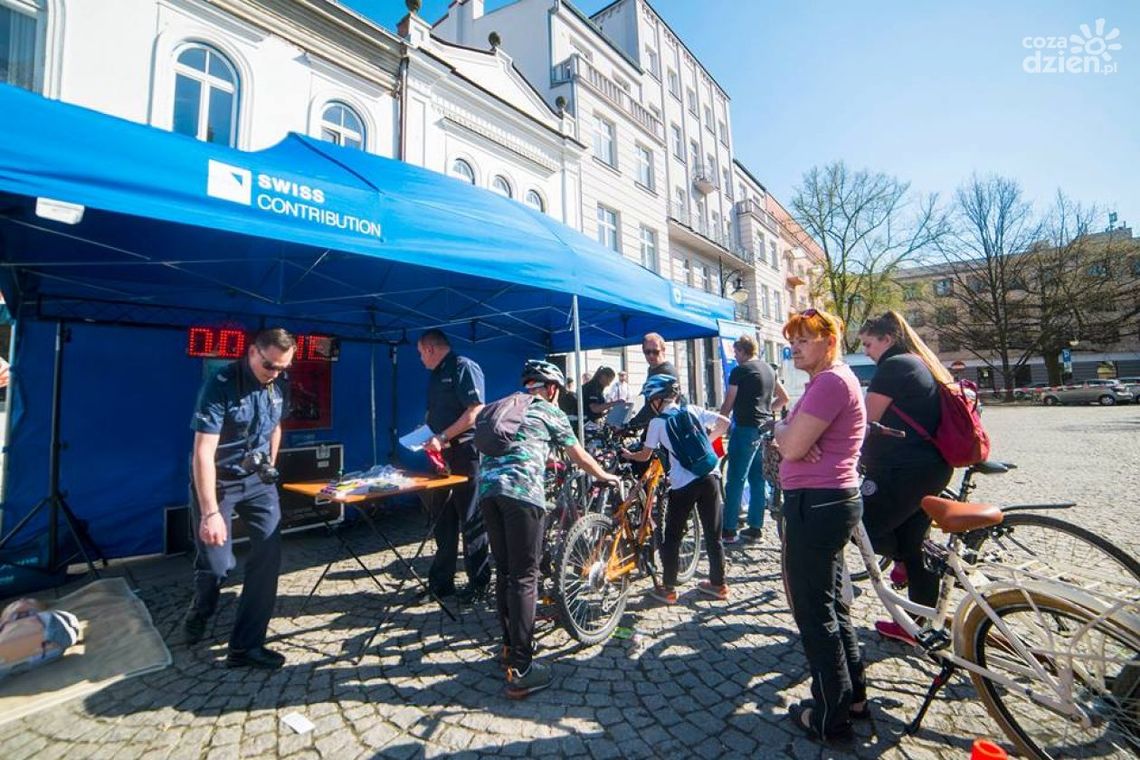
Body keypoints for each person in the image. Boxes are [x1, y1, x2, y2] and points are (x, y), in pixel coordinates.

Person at [478, 360, 619, 698]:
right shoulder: (548, 411)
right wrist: (605, 476)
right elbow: (579, 457)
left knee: (506, 572)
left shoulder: (505, 405)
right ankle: (524, 669)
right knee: (526, 577)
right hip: (522, 495)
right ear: (552, 388)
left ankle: (510, 649)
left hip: (487, 493)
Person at [774, 308, 868, 744]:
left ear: (830, 342)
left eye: (805, 339)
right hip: (827, 500)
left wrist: (785, 432)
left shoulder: (830, 381)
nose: (795, 346)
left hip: (818, 503)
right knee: (832, 603)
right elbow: (795, 441)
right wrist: (791, 433)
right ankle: (853, 696)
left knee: (814, 611)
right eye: (793, 339)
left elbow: (792, 446)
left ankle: (830, 715)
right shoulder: (826, 382)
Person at [183, 327, 295, 669]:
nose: (275, 373)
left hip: (258, 483)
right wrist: (210, 513)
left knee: (268, 556)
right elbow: (202, 453)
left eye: (282, 368)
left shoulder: (278, 383)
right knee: (219, 565)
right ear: (251, 352)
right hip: (219, 481)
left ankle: (245, 647)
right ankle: (202, 606)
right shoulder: (220, 385)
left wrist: (269, 467)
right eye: (270, 366)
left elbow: (276, 425)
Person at [857, 311, 955, 644]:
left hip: (902, 470)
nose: (867, 351)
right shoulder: (919, 362)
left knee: (857, 527)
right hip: (930, 468)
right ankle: (918, 624)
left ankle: (898, 562)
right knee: (915, 546)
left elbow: (864, 420)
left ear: (887, 338)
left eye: (869, 344)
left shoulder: (894, 366)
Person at [621, 375, 730, 603]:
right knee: (714, 534)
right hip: (711, 475)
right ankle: (719, 585)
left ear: (657, 399)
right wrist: (707, 442)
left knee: (672, 536)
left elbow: (645, 455)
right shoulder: (691, 409)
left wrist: (629, 455)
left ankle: (668, 588)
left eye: (650, 399)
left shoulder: (657, 423)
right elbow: (725, 422)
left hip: (683, 483)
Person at [417, 329, 492, 604]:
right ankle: (441, 583)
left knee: (470, 518)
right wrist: (427, 432)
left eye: (420, 353)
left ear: (429, 348)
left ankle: (479, 583)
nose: (420, 359)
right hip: (441, 457)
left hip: (464, 453)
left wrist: (443, 436)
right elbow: (435, 412)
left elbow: (475, 412)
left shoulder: (464, 367)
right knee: (442, 519)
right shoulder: (435, 374)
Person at [718, 335, 788, 543]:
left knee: (735, 480)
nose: (735, 356)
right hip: (765, 430)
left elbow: (728, 402)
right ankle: (755, 528)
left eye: (736, 352)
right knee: (759, 479)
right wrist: (767, 410)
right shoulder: (769, 369)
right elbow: (784, 398)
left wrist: (719, 424)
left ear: (741, 351)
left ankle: (729, 529)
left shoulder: (740, 371)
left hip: (745, 428)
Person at [626, 332, 681, 431]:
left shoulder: (666, 372)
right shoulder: (653, 369)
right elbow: (648, 398)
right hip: (656, 425)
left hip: (668, 428)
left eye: (655, 351)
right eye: (647, 352)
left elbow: (653, 407)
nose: (651, 355)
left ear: (663, 350)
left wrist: (631, 424)